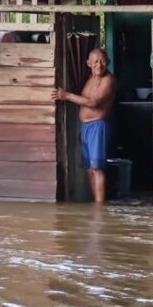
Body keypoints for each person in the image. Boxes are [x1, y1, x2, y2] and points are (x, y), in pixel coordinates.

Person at [51, 49, 116, 203]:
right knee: (89, 169)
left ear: (108, 62)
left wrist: (66, 95)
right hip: (86, 127)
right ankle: (97, 203)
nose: (99, 65)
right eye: (95, 61)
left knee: (97, 168)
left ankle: (100, 207)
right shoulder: (89, 79)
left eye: (102, 61)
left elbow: (93, 102)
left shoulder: (108, 80)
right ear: (88, 63)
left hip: (98, 126)